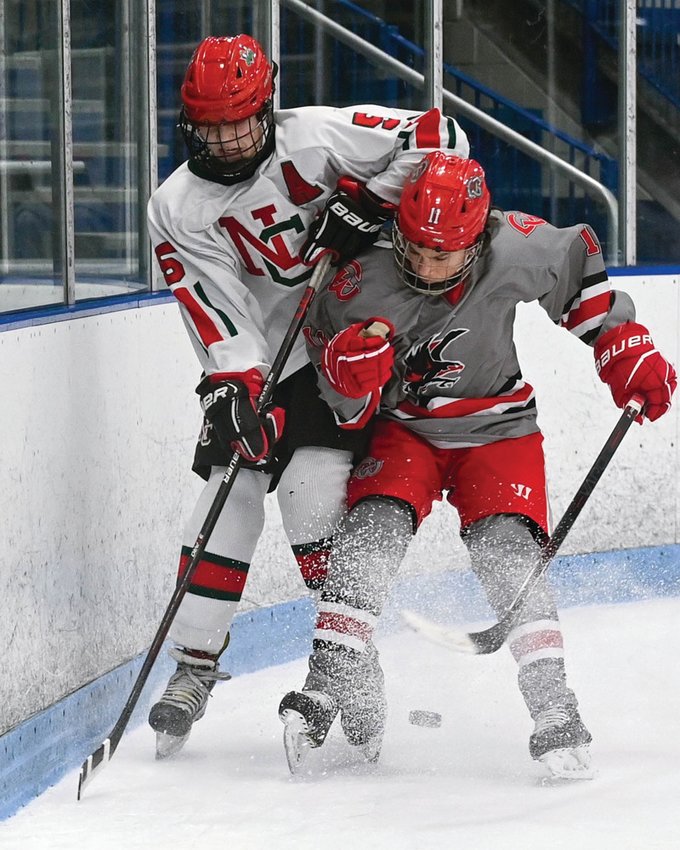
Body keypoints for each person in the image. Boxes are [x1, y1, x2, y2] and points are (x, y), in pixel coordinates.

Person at [280, 151, 676, 778]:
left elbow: (580, 275)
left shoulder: (515, 246)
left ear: (478, 234)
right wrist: (345, 375)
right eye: (415, 249)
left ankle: (555, 707)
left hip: (498, 428)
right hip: (405, 429)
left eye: (444, 254)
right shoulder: (360, 279)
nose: (428, 267)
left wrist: (623, 349)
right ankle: (328, 677)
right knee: (372, 529)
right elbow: (340, 398)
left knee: (507, 547)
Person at [145, 34, 470, 758]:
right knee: (224, 500)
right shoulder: (175, 206)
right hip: (262, 356)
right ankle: (194, 665)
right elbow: (212, 305)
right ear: (187, 120)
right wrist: (235, 381)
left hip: (340, 348)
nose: (227, 140)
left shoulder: (318, 136)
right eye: (211, 125)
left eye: (241, 120)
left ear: (268, 104)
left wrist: (368, 197)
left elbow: (440, 134)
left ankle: (348, 657)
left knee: (313, 494)